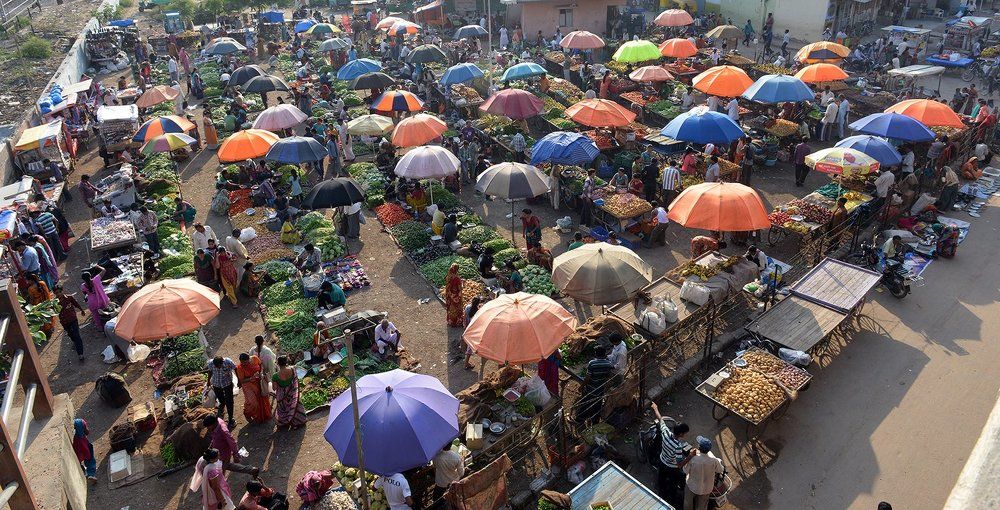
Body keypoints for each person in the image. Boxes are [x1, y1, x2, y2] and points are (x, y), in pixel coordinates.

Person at [651, 402, 693, 508]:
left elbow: (660, 419)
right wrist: (690, 456)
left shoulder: (665, 433)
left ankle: (660, 494)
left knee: (661, 480)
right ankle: (671, 501)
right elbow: (679, 464)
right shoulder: (678, 446)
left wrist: (655, 408)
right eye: (685, 433)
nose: (685, 435)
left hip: (662, 462)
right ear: (681, 434)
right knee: (673, 485)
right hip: (671, 468)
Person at [683, 436, 725, 510]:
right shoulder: (714, 460)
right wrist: (718, 460)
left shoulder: (693, 458)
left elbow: (685, 470)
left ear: (699, 447)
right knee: (702, 506)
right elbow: (720, 469)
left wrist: (689, 456)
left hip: (692, 486)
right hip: (706, 489)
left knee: (688, 503)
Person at [576, 345, 614, 425]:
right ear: (604, 354)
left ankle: (579, 420)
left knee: (585, 404)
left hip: (591, 388)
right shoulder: (608, 364)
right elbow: (609, 376)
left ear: (596, 354)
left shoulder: (592, 363)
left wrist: (582, 386)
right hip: (600, 389)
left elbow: (587, 378)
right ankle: (595, 421)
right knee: (597, 405)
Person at [272, 356, 307, 429]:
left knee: (283, 409)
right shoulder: (292, 369)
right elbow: (295, 380)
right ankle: (297, 422)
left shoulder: (275, 376)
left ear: (278, 363)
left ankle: (285, 423)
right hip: (292, 393)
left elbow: (274, 388)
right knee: (295, 407)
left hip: (282, 397)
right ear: (286, 362)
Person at [236, 352, 272, 424]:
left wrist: (261, 372)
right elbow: (242, 380)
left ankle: (262, 416)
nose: (243, 364)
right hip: (248, 385)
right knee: (252, 402)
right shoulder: (240, 367)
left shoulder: (255, 358)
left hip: (258, 382)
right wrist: (251, 378)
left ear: (249, 359)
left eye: (245, 362)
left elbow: (261, 364)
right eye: (242, 362)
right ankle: (247, 414)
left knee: (262, 398)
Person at [207, 356, 238, 428]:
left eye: (219, 366)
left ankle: (231, 419)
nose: (218, 368)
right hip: (216, 384)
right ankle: (222, 405)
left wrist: (239, 380)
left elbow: (235, 368)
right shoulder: (211, 363)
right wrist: (208, 381)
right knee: (220, 399)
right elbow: (210, 371)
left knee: (229, 402)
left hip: (227, 383)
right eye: (216, 366)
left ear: (222, 363)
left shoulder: (228, 362)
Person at [71, 418, 98, 484]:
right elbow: (87, 432)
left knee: (79, 462)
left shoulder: (75, 437)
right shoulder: (82, 437)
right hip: (85, 448)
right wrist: (85, 429)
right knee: (90, 459)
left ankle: (83, 472)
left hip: (77, 450)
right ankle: (91, 474)